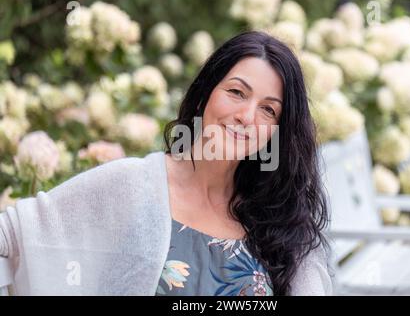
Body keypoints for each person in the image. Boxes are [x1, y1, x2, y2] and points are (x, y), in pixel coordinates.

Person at [0, 31, 333, 296]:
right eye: (236, 92)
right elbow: (12, 235)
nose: (246, 117)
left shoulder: (280, 215)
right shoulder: (135, 184)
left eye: (268, 110)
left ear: (277, 132)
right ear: (205, 95)